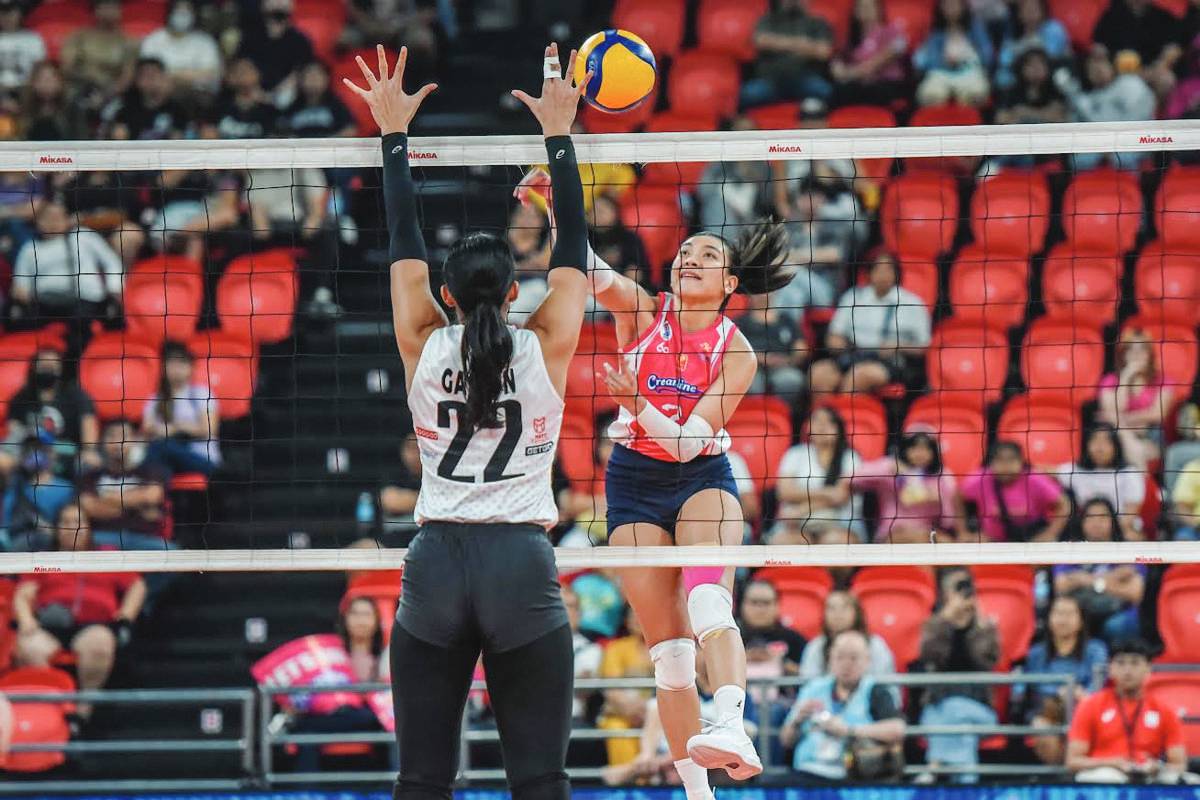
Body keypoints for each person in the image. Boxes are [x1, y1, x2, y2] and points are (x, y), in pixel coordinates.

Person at [343, 42, 591, 800]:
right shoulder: (546, 343)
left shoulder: (421, 339)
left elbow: (403, 244)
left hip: (437, 563)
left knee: (420, 778)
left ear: (448, 297)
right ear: (515, 293)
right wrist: (559, 135)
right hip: (520, 560)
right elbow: (574, 247)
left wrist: (393, 136)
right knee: (541, 779)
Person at [588, 153, 798, 788]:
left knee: (711, 601)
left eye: (707, 255)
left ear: (731, 283)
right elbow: (584, 268)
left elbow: (686, 446)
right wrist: (554, 205)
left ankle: (731, 723)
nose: (689, 260)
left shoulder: (736, 352)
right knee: (672, 659)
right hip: (631, 482)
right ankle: (696, 790)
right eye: (684, 253)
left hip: (700, 475)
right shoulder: (643, 311)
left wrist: (635, 403)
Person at [12, 504, 146, 719]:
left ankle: (83, 711)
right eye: (65, 522)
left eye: (77, 522)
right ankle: (59, 710)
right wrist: (27, 620)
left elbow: (137, 586)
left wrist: (125, 617)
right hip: (50, 625)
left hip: (94, 626)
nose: (71, 527)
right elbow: (24, 593)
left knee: (99, 644)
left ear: (89, 527)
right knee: (29, 648)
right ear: (56, 528)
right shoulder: (45, 559)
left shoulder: (106, 555)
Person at [913, 567, 1000, 784]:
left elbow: (987, 660)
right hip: (937, 710)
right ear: (945, 594)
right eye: (956, 589)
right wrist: (945, 619)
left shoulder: (984, 627)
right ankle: (967, 784)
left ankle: (933, 767)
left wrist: (978, 624)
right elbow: (928, 655)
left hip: (980, 710)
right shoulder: (936, 625)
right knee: (963, 729)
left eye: (966, 588)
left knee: (955, 708)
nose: (962, 594)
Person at [781, 630, 905, 782]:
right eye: (840, 657)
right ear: (830, 660)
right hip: (809, 770)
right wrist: (797, 721)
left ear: (867, 661)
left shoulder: (875, 691)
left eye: (853, 658)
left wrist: (849, 731)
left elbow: (897, 729)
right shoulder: (813, 689)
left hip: (855, 773)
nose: (846, 664)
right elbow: (786, 740)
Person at [291, 597, 394, 773]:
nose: (360, 620)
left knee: (393, 728)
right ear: (344, 619)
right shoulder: (326, 654)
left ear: (377, 621)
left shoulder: (386, 656)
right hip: (332, 717)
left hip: (373, 717)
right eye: (355, 614)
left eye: (366, 615)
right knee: (306, 732)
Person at [808, 252, 932, 396]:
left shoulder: (912, 303)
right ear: (869, 273)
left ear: (896, 273)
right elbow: (834, 335)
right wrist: (837, 343)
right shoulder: (853, 297)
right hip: (855, 354)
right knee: (818, 373)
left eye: (888, 270)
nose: (882, 275)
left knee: (859, 376)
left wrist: (899, 345)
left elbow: (924, 346)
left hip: (892, 362)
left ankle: (844, 416)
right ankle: (822, 417)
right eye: (878, 269)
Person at [1066, 639, 1189, 783]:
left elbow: (1179, 764)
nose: (1127, 670)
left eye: (1135, 663)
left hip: (1149, 775)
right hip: (1106, 772)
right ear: (1110, 669)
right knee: (1106, 777)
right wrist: (1112, 763)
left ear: (1148, 669)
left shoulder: (1164, 710)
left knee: (1190, 781)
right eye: (1120, 663)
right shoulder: (1091, 705)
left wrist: (1157, 767)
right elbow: (1073, 761)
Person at [1013, 595, 1108, 765]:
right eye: (1058, 613)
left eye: (1069, 614)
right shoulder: (1036, 653)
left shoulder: (1096, 649)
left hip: (1084, 708)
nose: (1063, 620)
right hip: (1047, 709)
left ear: (1081, 620)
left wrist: (1079, 695)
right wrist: (1062, 692)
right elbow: (1035, 685)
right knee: (1041, 727)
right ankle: (1062, 777)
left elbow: (1098, 684)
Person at [10, 199, 124, 329]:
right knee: (13, 316)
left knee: (82, 322)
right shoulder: (29, 249)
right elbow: (20, 282)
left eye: (57, 217)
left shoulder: (84, 236)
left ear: (66, 219)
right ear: (38, 222)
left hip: (85, 299)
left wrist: (114, 288)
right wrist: (22, 291)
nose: (53, 222)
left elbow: (112, 262)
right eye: (48, 218)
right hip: (44, 302)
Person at [1054, 498, 1145, 643]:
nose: (1096, 523)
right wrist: (1110, 579)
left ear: (1113, 521)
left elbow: (1134, 593)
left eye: (1103, 517)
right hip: (1081, 611)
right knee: (1066, 622)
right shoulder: (1071, 549)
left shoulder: (1128, 550)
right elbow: (1060, 586)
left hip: (1118, 612)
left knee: (1118, 626)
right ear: (1082, 522)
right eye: (1090, 517)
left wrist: (1083, 579)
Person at [2, 346, 101, 476]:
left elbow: (88, 422)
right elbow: (13, 430)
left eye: (52, 365)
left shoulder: (75, 395)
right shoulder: (22, 397)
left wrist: (89, 450)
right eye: (43, 365)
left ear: (60, 368)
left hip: (67, 451)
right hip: (31, 453)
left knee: (90, 462)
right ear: (34, 368)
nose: (48, 369)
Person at [773, 406, 863, 545]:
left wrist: (801, 509)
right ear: (807, 427)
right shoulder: (795, 454)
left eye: (829, 421)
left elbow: (840, 496)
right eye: (816, 420)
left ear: (839, 428)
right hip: (796, 525)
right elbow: (784, 492)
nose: (822, 426)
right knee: (782, 543)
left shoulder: (850, 457)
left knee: (834, 543)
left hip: (841, 521)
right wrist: (827, 493)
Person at [79, 420, 172, 551]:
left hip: (144, 539)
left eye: (123, 436)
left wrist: (106, 498)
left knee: (170, 552)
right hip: (102, 538)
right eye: (112, 436)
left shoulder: (150, 470)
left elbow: (152, 495)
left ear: (134, 440)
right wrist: (137, 506)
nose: (118, 442)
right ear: (102, 441)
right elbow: (89, 507)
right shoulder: (90, 476)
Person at [853, 431, 960, 544]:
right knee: (920, 539)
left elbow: (949, 519)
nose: (920, 453)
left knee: (947, 544)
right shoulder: (890, 467)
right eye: (914, 448)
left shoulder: (941, 475)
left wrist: (940, 500)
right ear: (905, 449)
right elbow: (853, 477)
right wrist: (891, 468)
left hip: (928, 532)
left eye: (926, 449)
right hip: (892, 533)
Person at [957, 441, 1071, 543]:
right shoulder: (980, 479)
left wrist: (1050, 533)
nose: (1006, 466)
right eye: (1000, 460)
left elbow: (1064, 504)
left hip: (1030, 540)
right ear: (991, 463)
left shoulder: (1035, 479)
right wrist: (962, 531)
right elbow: (956, 497)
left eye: (1011, 459)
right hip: (991, 542)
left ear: (1021, 461)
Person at [139, 341, 221, 476]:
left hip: (200, 457)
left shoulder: (201, 393)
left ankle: (139, 485)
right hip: (166, 457)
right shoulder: (156, 398)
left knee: (160, 448)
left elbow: (209, 429)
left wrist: (174, 429)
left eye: (181, 364)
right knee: (161, 468)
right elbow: (147, 429)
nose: (176, 369)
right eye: (171, 363)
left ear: (191, 368)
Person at [1097, 329, 1174, 470]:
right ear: (1123, 355)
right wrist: (1126, 376)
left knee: (1136, 452)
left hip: (1150, 435)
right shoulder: (1110, 380)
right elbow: (1115, 409)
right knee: (1134, 451)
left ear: (1150, 355)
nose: (1136, 354)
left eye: (1142, 350)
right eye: (1131, 350)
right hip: (1117, 438)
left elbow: (1158, 414)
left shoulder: (1163, 380)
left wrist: (1123, 420)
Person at [740, 0, 835, 108]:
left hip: (804, 79)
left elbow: (824, 52)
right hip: (770, 81)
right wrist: (802, 45)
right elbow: (760, 41)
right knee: (747, 95)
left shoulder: (817, 23)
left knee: (825, 91)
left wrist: (777, 43)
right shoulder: (768, 19)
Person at [1058, 424, 1146, 540]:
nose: (1099, 447)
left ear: (1116, 445)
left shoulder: (1129, 473)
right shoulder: (1076, 470)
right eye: (1094, 441)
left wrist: (1106, 530)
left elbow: (1130, 514)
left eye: (1106, 442)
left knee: (1132, 537)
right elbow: (1043, 472)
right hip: (1085, 528)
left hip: (1121, 528)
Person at [798, 590, 896, 682]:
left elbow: (886, 685)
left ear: (856, 612)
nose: (837, 613)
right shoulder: (817, 646)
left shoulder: (875, 644)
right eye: (831, 608)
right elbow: (808, 684)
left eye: (844, 608)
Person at [738, 580, 806, 711]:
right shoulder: (730, 635)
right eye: (754, 602)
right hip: (736, 702)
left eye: (766, 603)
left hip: (782, 705)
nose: (760, 609)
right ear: (742, 604)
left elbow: (808, 674)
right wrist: (743, 659)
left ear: (777, 605)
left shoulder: (793, 638)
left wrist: (782, 663)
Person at [0, 433, 76, 551]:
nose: (32, 453)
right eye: (28, 449)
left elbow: (68, 526)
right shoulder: (14, 486)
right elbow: (6, 525)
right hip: (14, 547)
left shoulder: (66, 489)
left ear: (51, 453)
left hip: (50, 548)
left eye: (38, 448)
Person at [1092, 0, 1183, 97]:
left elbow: (1172, 51)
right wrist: (1104, 64)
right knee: (1100, 69)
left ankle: (1156, 111)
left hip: (1150, 72)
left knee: (1167, 79)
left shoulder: (1164, 17)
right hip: (1115, 72)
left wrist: (1154, 70)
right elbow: (1099, 48)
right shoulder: (1111, 15)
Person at [913, 0, 994, 107]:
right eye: (947, 5)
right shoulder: (936, 33)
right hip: (942, 72)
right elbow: (929, 61)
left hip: (969, 72)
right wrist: (944, 61)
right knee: (929, 94)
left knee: (977, 93)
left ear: (963, 6)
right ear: (941, 8)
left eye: (955, 4)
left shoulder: (975, 28)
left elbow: (987, 55)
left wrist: (968, 59)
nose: (951, 8)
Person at [830, 0, 909, 107]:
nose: (865, 10)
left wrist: (848, 73)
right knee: (839, 91)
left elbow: (873, 65)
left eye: (870, 6)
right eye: (861, 7)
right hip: (859, 84)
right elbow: (838, 61)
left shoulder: (891, 31)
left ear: (879, 9)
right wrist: (837, 67)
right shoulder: (852, 37)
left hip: (885, 83)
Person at [61, 0, 138, 106]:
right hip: (79, 89)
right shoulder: (79, 36)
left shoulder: (129, 42)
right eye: (105, 6)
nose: (110, 10)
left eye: (114, 6)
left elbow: (126, 78)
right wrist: (89, 80)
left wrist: (105, 95)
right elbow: (67, 67)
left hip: (112, 95)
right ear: (96, 10)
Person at [236, 0, 316, 101]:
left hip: (289, 98)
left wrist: (277, 95)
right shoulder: (250, 38)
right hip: (253, 95)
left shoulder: (301, 41)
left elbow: (303, 72)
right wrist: (258, 93)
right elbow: (242, 66)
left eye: (283, 2)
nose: (278, 4)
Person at [139, 0, 222, 96]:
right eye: (178, 10)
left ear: (194, 14)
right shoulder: (153, 40)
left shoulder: (206, 42)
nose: (182, 14)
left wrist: (170, 75)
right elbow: (147, 75)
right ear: (170, 13)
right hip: (159, 96)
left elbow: (211, 76)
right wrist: (190, 76)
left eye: (187, 10)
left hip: (196, 98)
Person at [102, 57, 190, 140]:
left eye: (154, 75)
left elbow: (177, 143)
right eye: (145, 76)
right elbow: (119, 142)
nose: (151, 80)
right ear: (137, 81)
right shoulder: (126, 109)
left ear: (164, 77)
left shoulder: (178, 109)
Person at [993, 0, 1069, 90]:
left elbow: (1050, 56)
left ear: (1043, 11)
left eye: (1034, 8)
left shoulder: (1054, 29)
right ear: (1019, 13)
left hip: (1051, 81)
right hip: (1021, 85)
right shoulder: (1012, 37)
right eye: (1026, 8)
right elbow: (1004, 64)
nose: (1031, 12)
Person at [994, 45, 1068, 127]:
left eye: (1040, 63)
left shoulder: (1056, 91)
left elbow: (1058, 117)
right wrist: (1043, 114)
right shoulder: (1010, 92)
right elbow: (1001, 119)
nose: (1036, 68)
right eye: (1031, 64)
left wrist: (1024, 112)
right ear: (1021, 68)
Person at [283, 61, 357, 138]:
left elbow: (351, 129)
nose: (313, 80)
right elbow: (281, 129)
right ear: (301, 80)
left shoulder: (335, 105)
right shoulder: (292, 105)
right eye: (309, 76)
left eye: (317, 76)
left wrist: (329, 142)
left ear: (327, 79)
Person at [18, 61, 88, 141]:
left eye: (50, 80)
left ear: (60, 82)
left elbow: (81, 139)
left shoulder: (72, 109)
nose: (46, 85)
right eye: (41, 80)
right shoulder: (25, 108)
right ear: (33, 83)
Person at [0, 0, 45, 94]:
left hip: (26, 92)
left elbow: (38, 67)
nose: (7, 17)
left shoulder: (33, 39)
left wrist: (27, 88)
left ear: (20, 13)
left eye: (12, 12)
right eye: (3, 13)